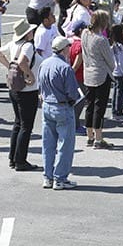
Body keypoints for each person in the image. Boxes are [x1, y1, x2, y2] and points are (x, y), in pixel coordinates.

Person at [0, 19, 43, 171]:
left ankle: (13, 157)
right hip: (28, 91)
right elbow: (23, 62)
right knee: (26, 126)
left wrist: (9, 65)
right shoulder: (27, 46)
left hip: (14, 88)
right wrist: (29, 75)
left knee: (18, 123)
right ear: (28, 33)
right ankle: (20, 160)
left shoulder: (14, 44)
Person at [37, 36, 81, 190]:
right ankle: (60, 178)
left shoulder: (44, 64)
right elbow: (72, 93)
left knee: (48, 144)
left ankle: (47, 177)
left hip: (47, 105)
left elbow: (40, 86)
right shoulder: (65, 67)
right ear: (64, 49)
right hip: (62, 107)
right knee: (65, 144)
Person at [82, 10, 115, 149]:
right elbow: (110, 61)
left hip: (88, 72)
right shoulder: (101, 40)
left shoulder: (84, 34)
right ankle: (99, 138)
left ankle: (89, 136)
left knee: (89, 105)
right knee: (99, 107)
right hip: (100, 74)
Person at [68, 22, 88, 135]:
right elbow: (76, 65)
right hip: (79, 78)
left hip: (76, 77)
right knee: (79, 102)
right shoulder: (80, 45)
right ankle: (75, 126)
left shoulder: (73, 43)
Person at [110, 24, 123, 121]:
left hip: (115, 71)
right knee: (119, 92)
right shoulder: (119, 46)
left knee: (116, 92)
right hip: (120, 72)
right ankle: (118, 112)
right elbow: (122, 62)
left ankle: (115, 111)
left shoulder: (114, 44)